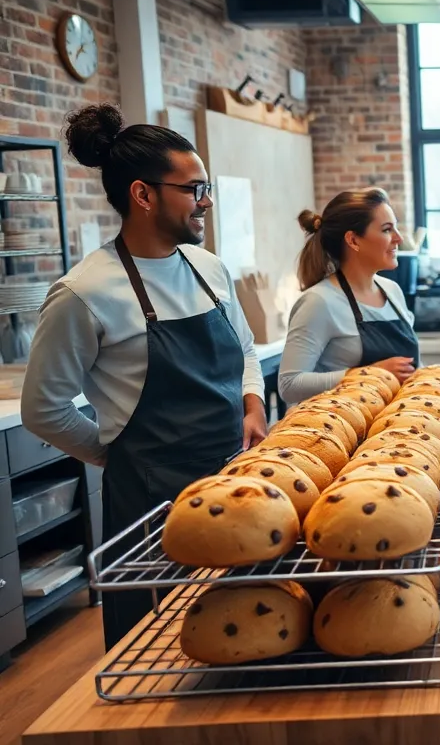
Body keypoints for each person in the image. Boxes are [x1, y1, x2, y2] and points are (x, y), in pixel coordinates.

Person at [22, 104, 266, 649]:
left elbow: (245, 348)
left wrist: (252, 403)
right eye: (194, 188)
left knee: (246, 628)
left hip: (237, 484)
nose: (206, 202)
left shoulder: (209, 269)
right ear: (143, 194)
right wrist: (119, 453)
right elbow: (44, 407)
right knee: (156, 645)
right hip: (152, 508)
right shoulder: (84, 292)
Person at [279, 188, 418, 402]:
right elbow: (289, 384)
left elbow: (411, 367)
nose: (398, 238)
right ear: (353, 240)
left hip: (399, 421)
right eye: (387, 229)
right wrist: (365, 374)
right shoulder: (319, 302)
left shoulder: (392, 291)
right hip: (340, 428)